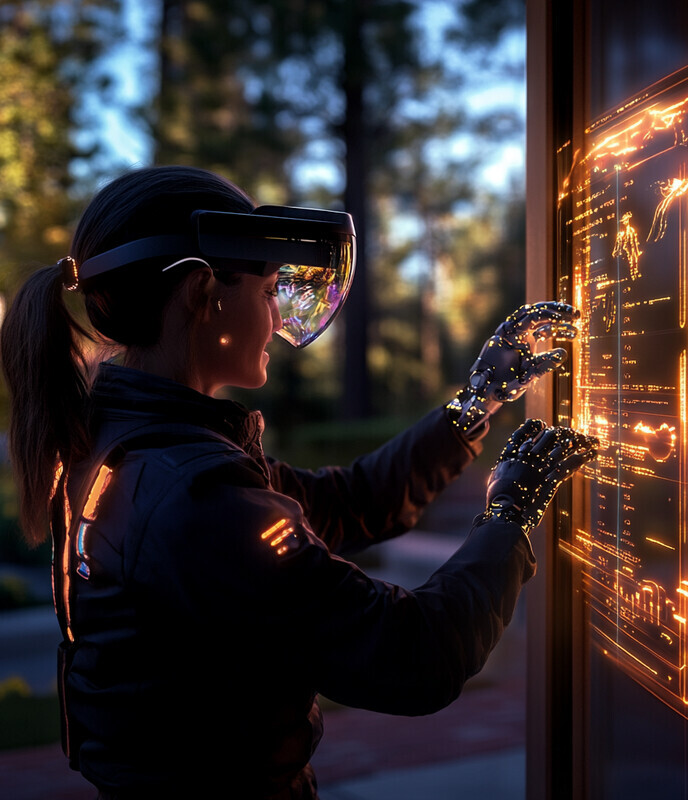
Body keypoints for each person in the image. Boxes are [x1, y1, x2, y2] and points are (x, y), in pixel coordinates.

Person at [0, 165, 596, 799]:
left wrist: (473, 407)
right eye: (268, 291)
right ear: (206, 294)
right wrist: (511, 512)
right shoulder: (192, 493)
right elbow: (412, 655)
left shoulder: (125, 444)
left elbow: (345, 502)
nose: (278, 315)